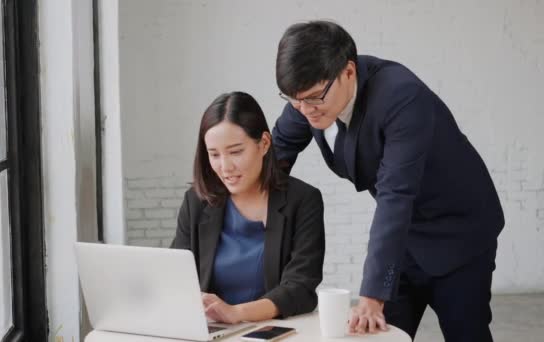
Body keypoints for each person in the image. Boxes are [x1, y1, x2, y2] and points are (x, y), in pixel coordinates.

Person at [272, 21, 505, 341]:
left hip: (458, 234)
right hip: (403, 239)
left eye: (313, 98)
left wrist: (371, 297)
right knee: (378, 336)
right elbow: (278, 152)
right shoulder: (308, 95)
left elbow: (395, 194)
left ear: (349, 73)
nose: (305, 110)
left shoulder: (401, 96)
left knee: (466, 334)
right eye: (295, 100)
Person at [171, 91, 325, 324]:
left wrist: (236, 313)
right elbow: (175, 276)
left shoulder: (303, 200)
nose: (225, 167)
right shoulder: (196, 203)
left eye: (235, 152)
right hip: (211, 332)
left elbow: (301, 287)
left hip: (273, 331)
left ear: (263, 144)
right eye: (214, 155)